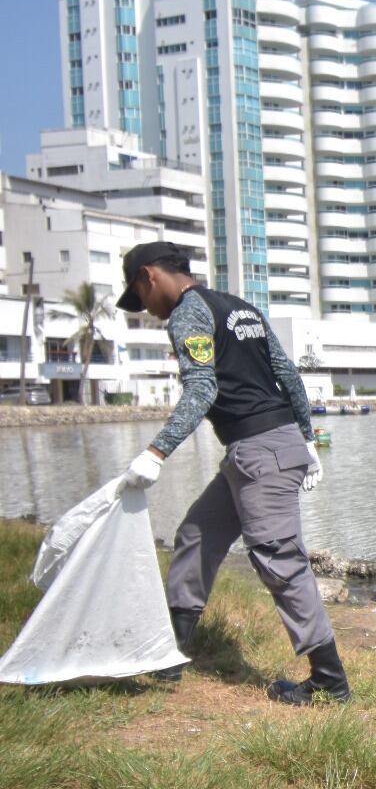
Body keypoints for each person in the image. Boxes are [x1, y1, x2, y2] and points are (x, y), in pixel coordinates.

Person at [114, 241, 349, 706]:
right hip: (257, 450)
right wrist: (303, 436)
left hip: (260, 451)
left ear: (149, 276)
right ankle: (170, 651)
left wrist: (156, 452)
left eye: (139, 297)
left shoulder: (188, 313)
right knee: (198, 534)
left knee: (278, 561)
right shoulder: (241, 308)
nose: (145, 308)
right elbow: (288, 374)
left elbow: (201, 389)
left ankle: (330, 681)